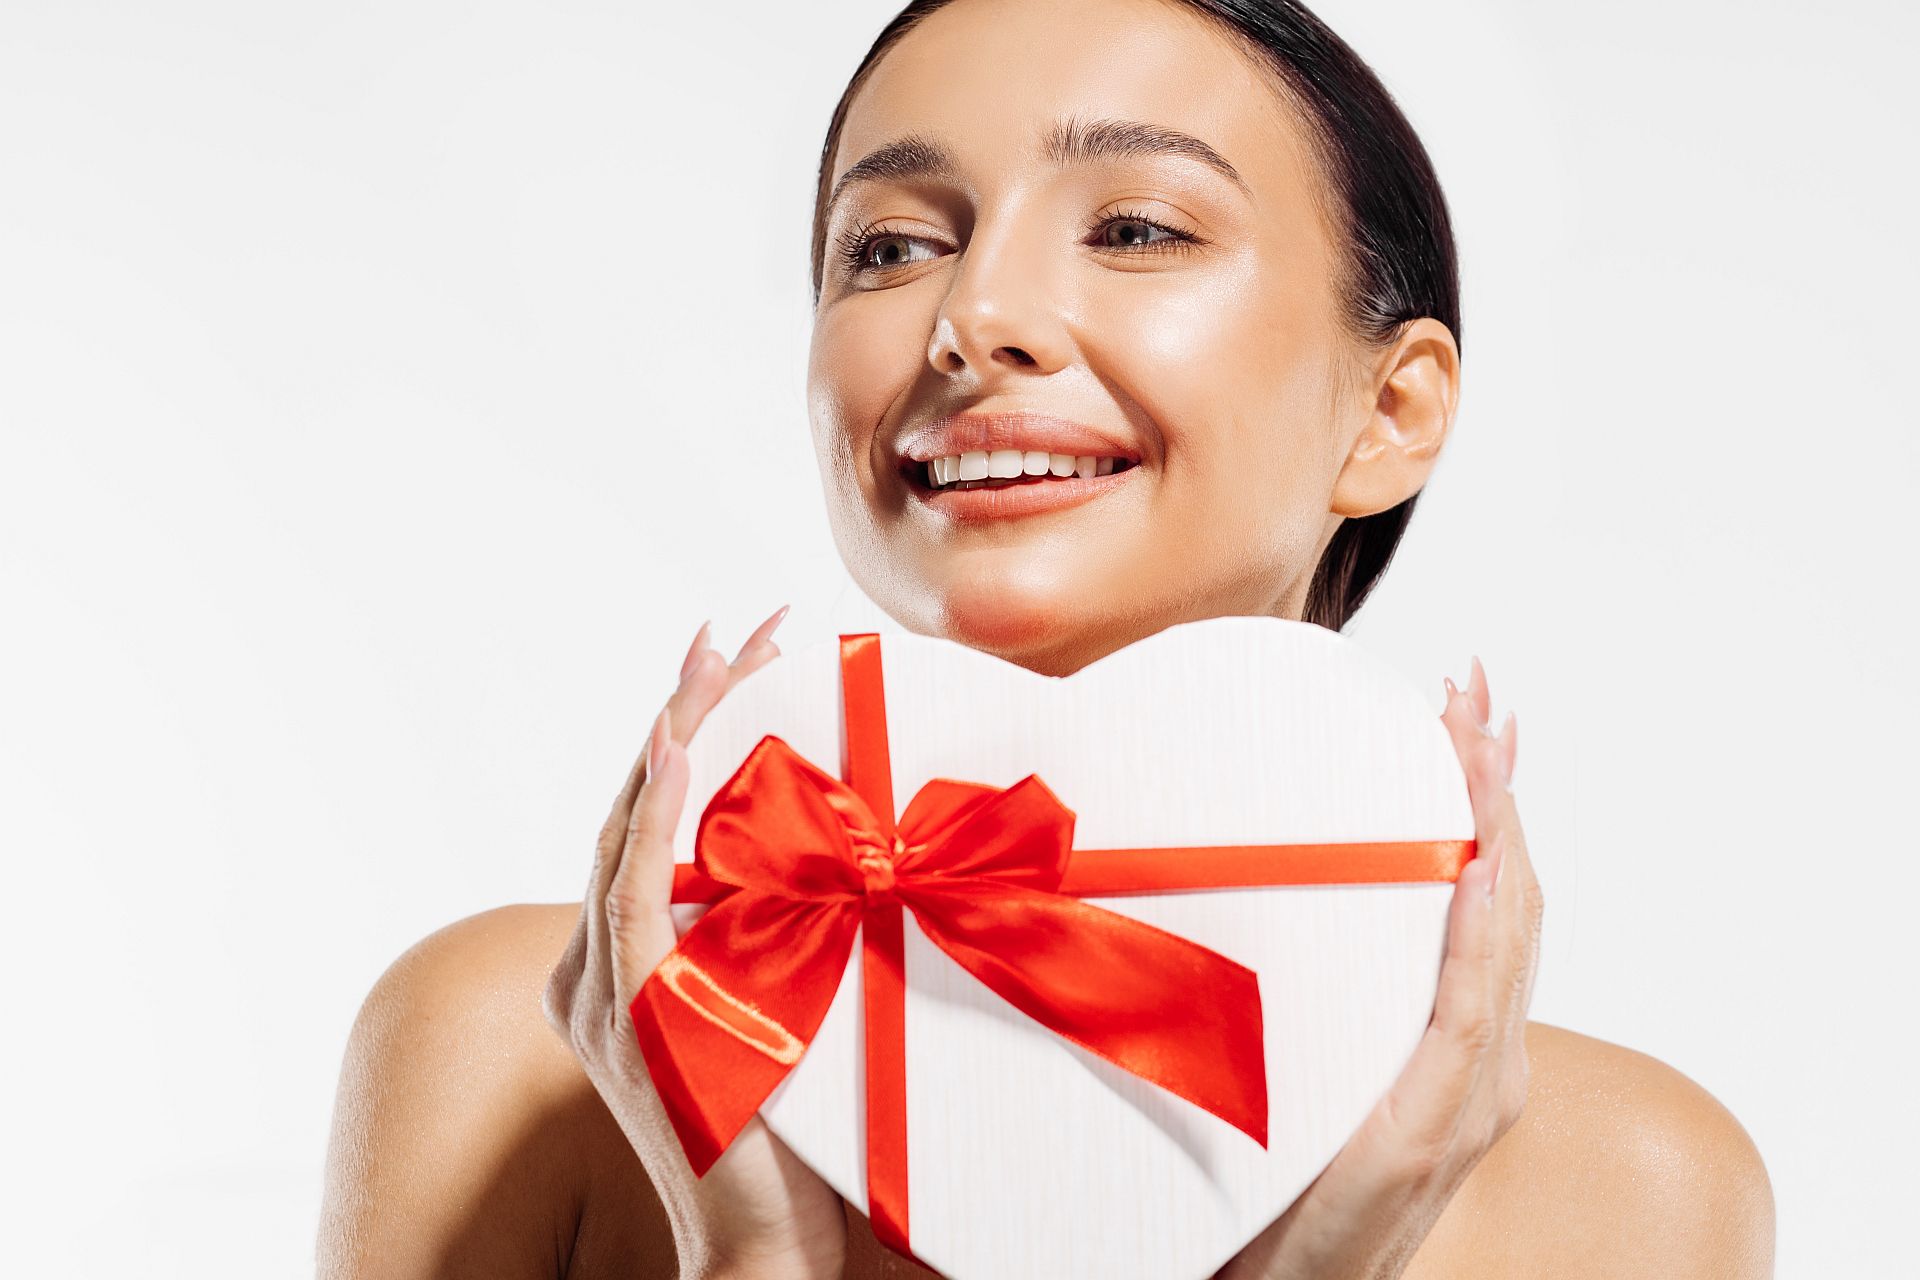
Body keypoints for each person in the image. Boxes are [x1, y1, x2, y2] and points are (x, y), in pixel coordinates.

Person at [317, 0, 1775, 1275]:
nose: (977, 316)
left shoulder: (1633, 1186)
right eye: (887, 247)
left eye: (1136, 227)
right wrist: (754, 1262)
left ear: (1391, 412)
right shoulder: (509, 1060)